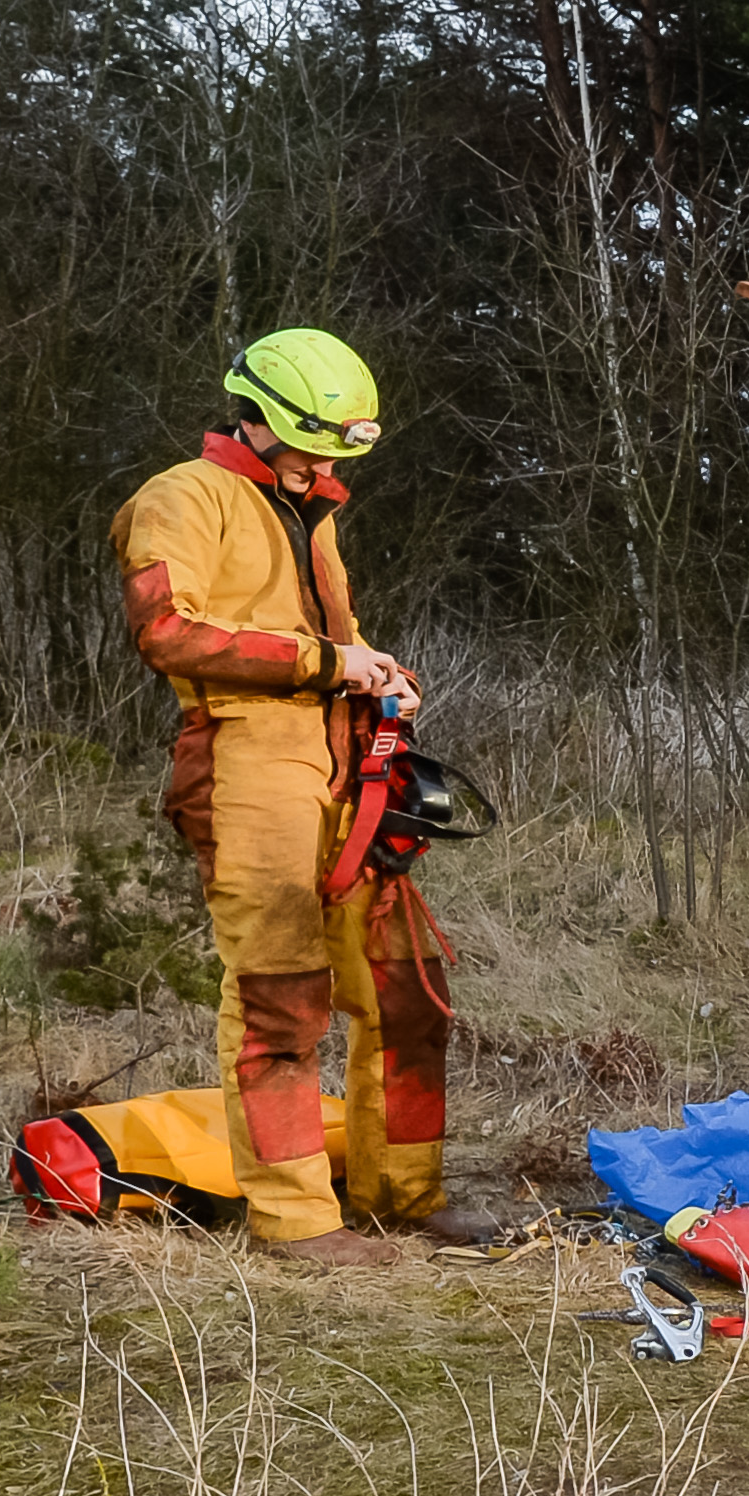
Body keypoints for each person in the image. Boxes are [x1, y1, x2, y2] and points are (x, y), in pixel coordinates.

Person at [110, 328, 457, 1261]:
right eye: (314, 447)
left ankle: (405, 1197)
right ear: (256, 417)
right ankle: (297, 1222)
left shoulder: (312, 512)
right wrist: (325, 663)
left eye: (338, 454)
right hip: (242, 761)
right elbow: (168, 631)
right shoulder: (180, 497)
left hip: (344, 760)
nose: (323, 468)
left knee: (408, 989)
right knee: (281, 997)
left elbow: (321, 640)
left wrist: (376, 677)